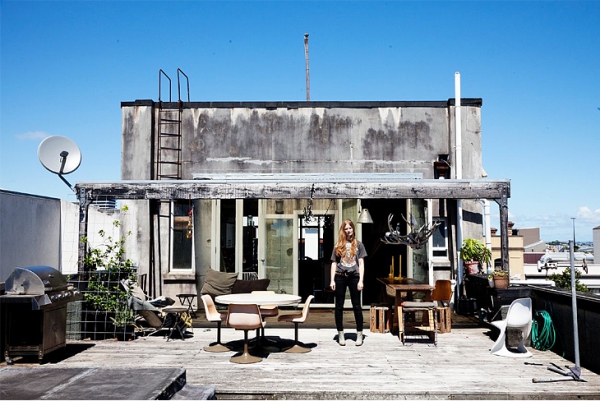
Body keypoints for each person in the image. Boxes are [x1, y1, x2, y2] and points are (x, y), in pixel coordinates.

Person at [330, 219, 367, 346]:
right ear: (343, 230)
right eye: (346, 228)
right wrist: (332, 280)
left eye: (350, 228)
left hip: (354, 277)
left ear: (353, 229)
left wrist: (361, 280)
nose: (348, 230)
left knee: (356, 305)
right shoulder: (338, 245)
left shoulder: (359, 245)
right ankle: (340, 333)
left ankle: (359, 334)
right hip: (340, 276)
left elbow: (361, 263)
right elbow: (334, 263)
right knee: (339, 306)